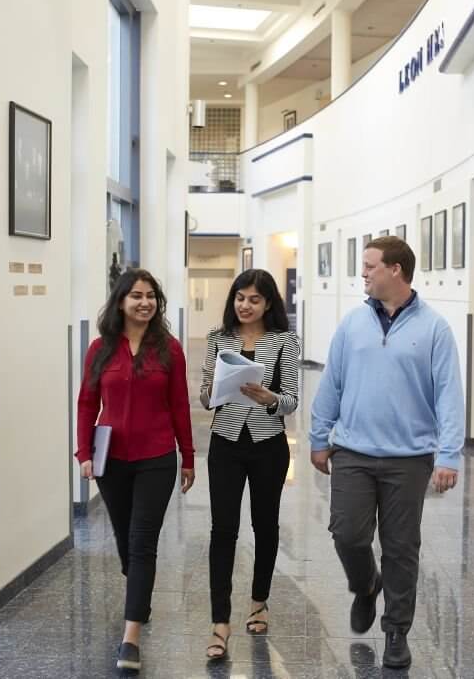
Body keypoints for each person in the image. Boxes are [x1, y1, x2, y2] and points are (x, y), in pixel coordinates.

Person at [309, 236, 464, 670]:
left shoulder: (434, 328)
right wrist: (319, 436)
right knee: (347, 533)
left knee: (401, 547)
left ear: (396, 270)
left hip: (409, 459)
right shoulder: (352, 324)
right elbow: (332, 383)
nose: (363, 273)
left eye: (369, 266)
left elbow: (449, 395)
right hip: (353, 451)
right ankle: (365, 584)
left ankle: (396, 630)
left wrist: (449, 454)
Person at [75, 269, 196, 673]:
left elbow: (179, 404)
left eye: (151, 296)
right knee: (128, 544)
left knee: (143, 542)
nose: (145, 302)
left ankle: (131, 638)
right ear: (121, 301)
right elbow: (87, 402)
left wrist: (189, 456)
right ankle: (138, 598)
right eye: (136, 296)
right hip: (112, 461)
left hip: (156, 458)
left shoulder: (169, 349)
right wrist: (84, 452)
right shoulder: (100, 349)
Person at [199, 269, 300, 661]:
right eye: (240, 297)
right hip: (225, 442)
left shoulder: (285, 341)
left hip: (268, 445)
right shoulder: (218, 338)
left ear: (268, 303)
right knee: (222, 530)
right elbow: (205, 394)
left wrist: (268, 397)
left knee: (265, 525)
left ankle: (259, 601)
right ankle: (219, 622)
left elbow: (291, 400)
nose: (245, 305)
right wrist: (211, 393)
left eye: (254, 299)